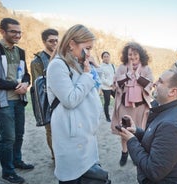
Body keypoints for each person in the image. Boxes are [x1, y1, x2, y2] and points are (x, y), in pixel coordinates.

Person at [46, 24, 102, 183]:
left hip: (84, 132)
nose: (89, 53)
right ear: (72, 44)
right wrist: (86, 75)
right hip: (71, 133)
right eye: (87, 48)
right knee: (72, 176)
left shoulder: (77, 62)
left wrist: (92, 68)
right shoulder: (57, 65)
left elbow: (93, 89)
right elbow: (70, 99)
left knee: (87, 172)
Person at [0, 18, 34, 184]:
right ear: (2, 31)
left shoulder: (21, 52)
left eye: (19, 32)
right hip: (1, 102)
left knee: (19, 134)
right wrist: (14, 85)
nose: (17, 35)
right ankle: (8, 172)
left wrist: (25, 83)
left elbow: (26, 74)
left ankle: (17, 161)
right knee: (8, 137)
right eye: (13, 31)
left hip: (19, 99)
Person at [117, 69, 177, 183]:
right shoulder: (167, 111)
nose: (154, 84)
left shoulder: (172, 126)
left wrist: (131, 141)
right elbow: (157, 140)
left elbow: (153, 171)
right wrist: (136, 132)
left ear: (172, 92)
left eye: (160, 82)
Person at [111, 42, 154, 166]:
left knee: (139, 131)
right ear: (126, 55)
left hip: (140, 107)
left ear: (140, 55)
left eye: (135, 54)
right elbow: (115, 84)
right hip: (125, 106)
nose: (133, 57)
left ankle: (136, 154)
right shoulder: (122, 67)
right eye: (130, 54)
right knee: (124, 130)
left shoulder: (146, 68)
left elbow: (150, 84)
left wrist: (137, 77)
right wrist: (127, 75)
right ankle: (124, 153)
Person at [30, 28, 59, 160]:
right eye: (51, 41)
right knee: (51, 130)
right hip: (47, 100)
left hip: (62, 98)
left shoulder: (61, 56)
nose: (54, 43)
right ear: (44, 41)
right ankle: (56, 156)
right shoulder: (37, 61)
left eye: (56, 40)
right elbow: (38, 84)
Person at [99, 51, 116, 122]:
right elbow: (102, 79)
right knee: (107, 102)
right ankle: (107, 117)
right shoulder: (100, 67)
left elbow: (115, 75)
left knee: (118, 101)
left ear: (109, 57)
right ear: (102, 58)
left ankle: (117, 116)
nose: (106, 58)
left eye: (107, 56)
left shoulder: (112, 65)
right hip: (106, 88)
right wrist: (110, 84)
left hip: (114, 87)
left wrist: (115, 84)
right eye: (104, 57)